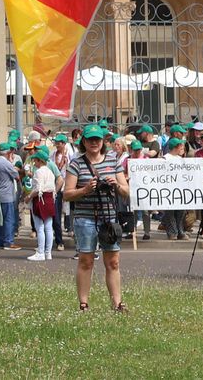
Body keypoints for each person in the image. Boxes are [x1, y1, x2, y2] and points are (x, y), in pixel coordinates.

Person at [62, 122, 128, 312]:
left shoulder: (113, 160)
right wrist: (85, 189)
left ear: (103, 141)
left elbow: (127, 191)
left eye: (97, 139)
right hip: (85, 218)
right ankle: (83, 303)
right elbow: (67, 194)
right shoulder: (76, 163)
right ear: (84, 141)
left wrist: (115, 184)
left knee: (113, 261)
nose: (94, 142)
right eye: (90, 139)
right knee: (86, 260)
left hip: (108, 218)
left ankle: (117, 303)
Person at [26, 145, 56, 261]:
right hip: (49, 199)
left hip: (40, 199)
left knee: (40, 227)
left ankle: (40, 252)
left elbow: (38, 189)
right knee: (48, 227)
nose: (34, 162)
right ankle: (48, 252)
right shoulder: (50, 171)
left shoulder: (38, 172)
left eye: (35, 160)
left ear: (39, 160)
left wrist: (28, 197)